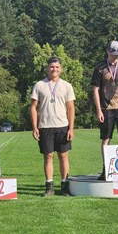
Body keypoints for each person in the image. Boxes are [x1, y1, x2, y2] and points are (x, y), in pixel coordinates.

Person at [30, 57, 76, 196]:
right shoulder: (39, 85)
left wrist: (71, 128)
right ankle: (49, 187)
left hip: (62, 125)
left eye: (57, 67)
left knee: (63, 156)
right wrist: (35, 127)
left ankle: (64, 185)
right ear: (47, 68)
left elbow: (71, 108)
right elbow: (33, 107)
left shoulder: (67, 86)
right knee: (48, 156)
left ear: (60, 69)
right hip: (45, 126)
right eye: (51, 66)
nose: (54, 69)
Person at [91, 40, 118, 180]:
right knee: (106, 139)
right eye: (113, 54)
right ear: (108, 52)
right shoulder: (100, 68)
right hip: (106, 107)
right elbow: (96, 90)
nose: (116, 57)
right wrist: (98, 110)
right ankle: (106, 169)